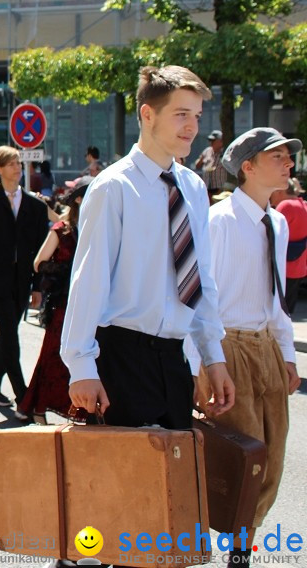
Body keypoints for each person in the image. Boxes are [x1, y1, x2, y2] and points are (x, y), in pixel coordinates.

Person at [60, 65, 234, 437]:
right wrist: (81, 367)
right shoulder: (113, 187)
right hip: (121, 356)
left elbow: (201, 278)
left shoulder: (192, 187)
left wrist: (213, 356)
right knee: (126, 488)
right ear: (148, 114)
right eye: (181, 114)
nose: (192, 126)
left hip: (174, 358)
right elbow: (89, 281)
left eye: (197, 116)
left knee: (177, 487)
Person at [203, 128, 301, 568]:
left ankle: (245, 539)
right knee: (244, 456)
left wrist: (287, 355)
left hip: (265, 346)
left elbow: (275, 298)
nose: (288, 162)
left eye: (288, 156)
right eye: (277, 156)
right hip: (230, 344)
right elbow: (201, 300)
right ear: (248, 166)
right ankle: (236, 550)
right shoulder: (220, 221)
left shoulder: (276, 221)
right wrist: (207, 363)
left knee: (273, 457)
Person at [0, 145, 48, 411]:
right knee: (10, 336)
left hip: (22, 280)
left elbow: (40, 251)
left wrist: (37, 286)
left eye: (18, 163)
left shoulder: (36, 206)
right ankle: (22, 395)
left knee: (6, 333)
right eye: (11, 163)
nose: (17, 167)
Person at [17, 176, 92, 425]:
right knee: (54, 354)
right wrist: (65, 269)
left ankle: (79, 410)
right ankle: (38, 407)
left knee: (86, 356)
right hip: (63, 302)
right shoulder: (62, 228)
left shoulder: (99, 225)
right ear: (80, 199)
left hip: (91, 303)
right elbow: (39, 263)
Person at [272, 179, 307, 313]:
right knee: (287, 313)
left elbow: (273, 234)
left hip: (282, 268)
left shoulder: (286, 205)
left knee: (275, 314)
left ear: (280, 191)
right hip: (298, 268)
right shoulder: (304, 206)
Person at [195, 129, 228, 196]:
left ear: (220, 141)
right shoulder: (207, 151)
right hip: (207, 187)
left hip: (219, 188)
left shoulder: (225, 153)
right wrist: (201, 160)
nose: (211, 143)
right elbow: (197, 166)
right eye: (210, 140)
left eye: (213, 141)